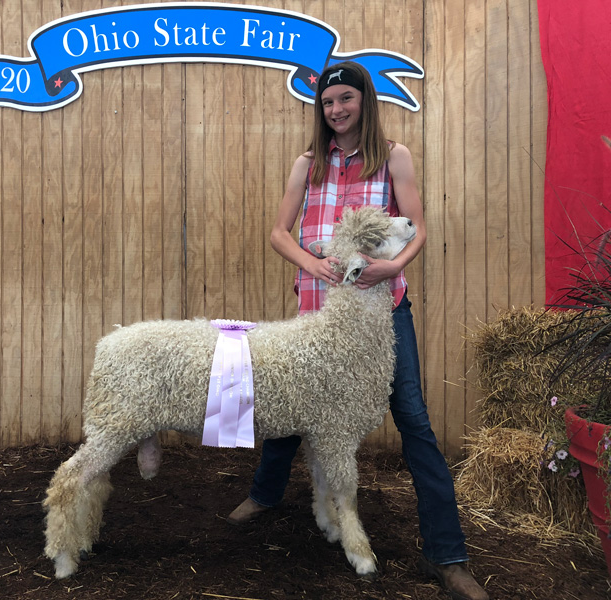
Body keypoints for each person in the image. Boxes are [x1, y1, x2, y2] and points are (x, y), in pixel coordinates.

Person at [226, 62, 489, 600]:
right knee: (291, 406)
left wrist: (394, 268)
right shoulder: (308, 163)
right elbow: (279, 232)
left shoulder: (394, 156)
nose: (336, 110)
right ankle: (265, 495)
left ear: (364, 101)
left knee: (413, 419)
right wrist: (309, 261)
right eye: (327, 103)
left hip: (381, 311)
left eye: (346, 99)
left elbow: (414, 228)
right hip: (319, 309)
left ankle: (448, 554)